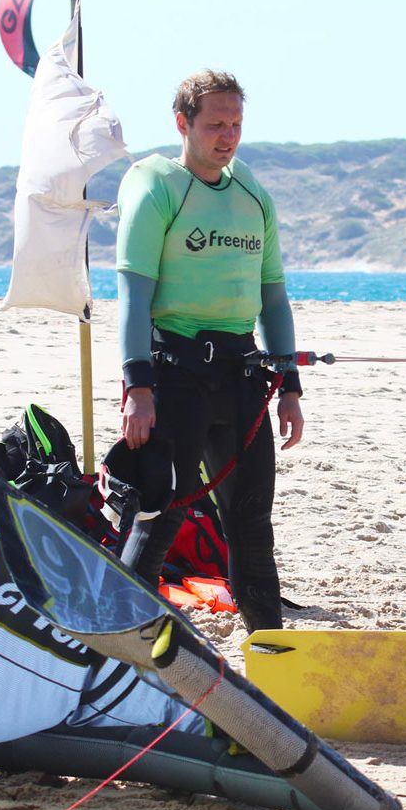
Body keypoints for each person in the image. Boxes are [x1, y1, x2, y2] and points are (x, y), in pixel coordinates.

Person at [115, 70, 304, 632]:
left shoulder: (251, 195)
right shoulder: (158, 187)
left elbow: (274, 299)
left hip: (243, 375)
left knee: (251, 523)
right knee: (160, 517)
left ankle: (268, 654)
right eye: (215, 124)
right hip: (174, 376)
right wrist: (137, 388)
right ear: (184, 123)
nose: (228, 136)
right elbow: (132, 295)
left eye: (236, 124)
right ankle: (120, 645)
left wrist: (289, 386)